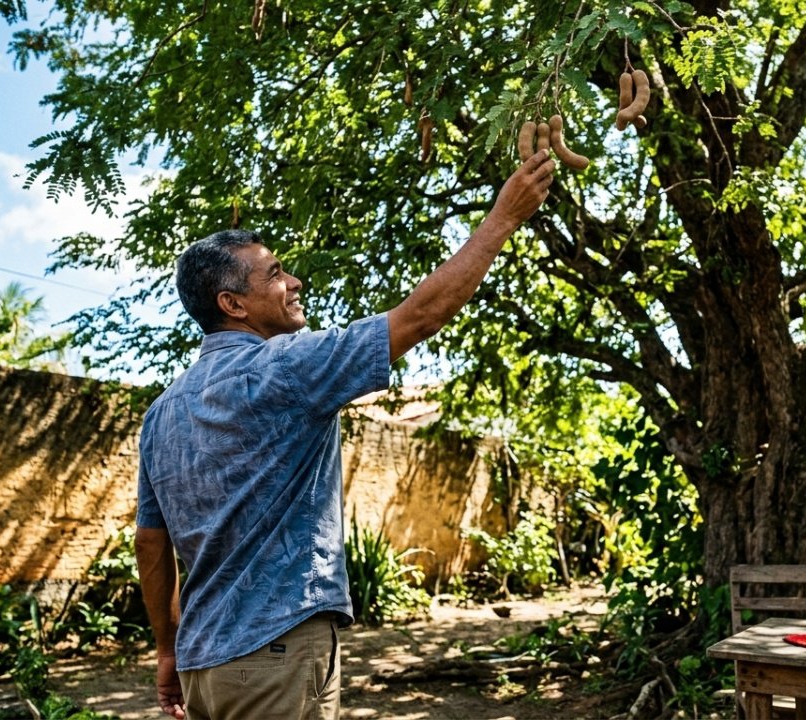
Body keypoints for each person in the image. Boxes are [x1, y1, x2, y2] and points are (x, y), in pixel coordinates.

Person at [134, 149, 556, 719]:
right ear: (232, 304)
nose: (295, 280)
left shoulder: (161, 413)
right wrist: (503, 219)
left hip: (201, 667)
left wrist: (166, 650)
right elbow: (418, 318)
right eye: (276, 274)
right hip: (277, 655)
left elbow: (151, 544)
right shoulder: (286, 368)